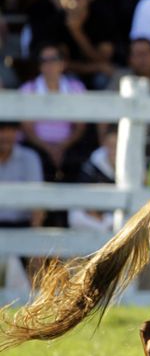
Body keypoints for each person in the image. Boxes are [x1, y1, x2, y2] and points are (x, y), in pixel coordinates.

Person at [19, 44, 88, 182]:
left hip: (69, 146)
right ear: (39, 65)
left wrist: (62, 146)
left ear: (63, 64)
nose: (49, 64)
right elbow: (27, 128)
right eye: (44, 60)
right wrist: (49, 148)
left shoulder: (76, 88)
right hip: (37, 146)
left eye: (53, 59)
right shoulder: (28, 89)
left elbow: (80, 126)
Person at [54, 0, 115, 89]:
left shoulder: (102, 18)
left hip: (97, 75)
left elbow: (104, 61)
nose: (74, 3)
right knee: (70, 81)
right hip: (71, 76)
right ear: (60, 1)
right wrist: (95, 68)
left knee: (104, 79)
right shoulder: (56, 22)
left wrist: (77, 32)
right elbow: (60, 65)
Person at [68, 128, 116, 233]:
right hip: (98, 217)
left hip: (122, 215)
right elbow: (85, 200)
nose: (114, 150)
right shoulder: (92, 166)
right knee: (76, 216)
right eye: (110, 145)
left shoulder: (135, 165)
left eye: (116, 145)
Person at [0, 121, 45, 230]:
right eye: (2, 130)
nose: (6, 135)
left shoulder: (30, 157)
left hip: (22, 226)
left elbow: (38, 202)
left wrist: (33, 238)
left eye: (11, 130)